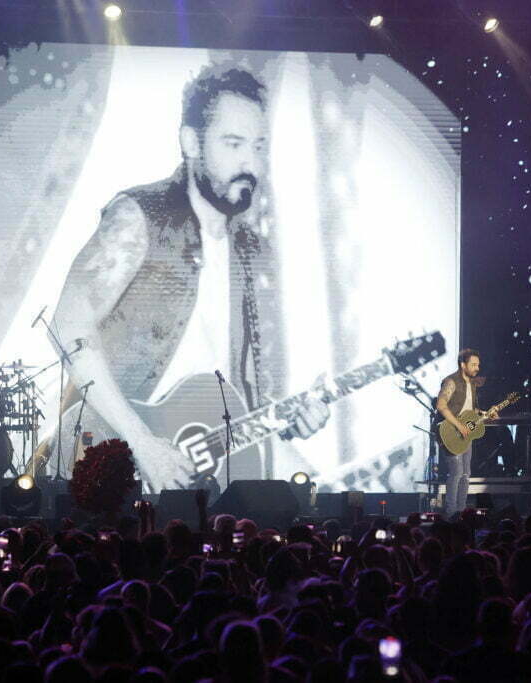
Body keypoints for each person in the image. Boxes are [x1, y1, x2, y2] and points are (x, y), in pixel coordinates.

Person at [44, 64, 329, 491]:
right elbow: (68, 323)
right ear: (191, 142)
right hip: (114, 454)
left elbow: (227, 390)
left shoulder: (249, 250)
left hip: (201, 460)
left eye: (258, 146)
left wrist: (288, 419)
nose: (249, 163)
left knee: (311, 496)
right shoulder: (140, 215)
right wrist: (142, 443)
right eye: (233, 144)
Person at [437, 348, 492, 517]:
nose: (477, 368)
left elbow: (471, 410)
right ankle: (451, 512)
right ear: (463, 365)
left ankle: (461, 512)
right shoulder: (451, 382)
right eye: (473, 364)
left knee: (466, 474)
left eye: (478, 364)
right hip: (450, 432)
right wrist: (458, 425)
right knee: (456, 473)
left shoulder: (472, 385)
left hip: (466, 433)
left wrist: (485, 414)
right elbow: (441, 405)